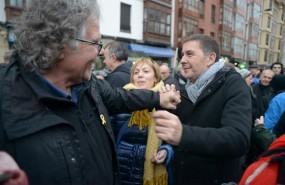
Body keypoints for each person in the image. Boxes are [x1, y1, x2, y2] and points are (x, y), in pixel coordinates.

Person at [0, 1, 180, 185]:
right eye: (95, 42)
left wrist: (158, 97)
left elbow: (120, 98)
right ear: (62, 44)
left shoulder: (89, 84)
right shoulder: (6, 97)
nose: (100, 52)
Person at [153, 34, 252, 184]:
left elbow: (238, 139)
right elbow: (179, 132)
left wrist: (183, 134)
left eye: (190, 54)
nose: (183, 60)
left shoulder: (233, 85)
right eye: (182, 55)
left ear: (210, 59)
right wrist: (164, 106)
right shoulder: (187, 90)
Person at [112, 57, 173, 185]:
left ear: (156, 77)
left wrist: (166, 151)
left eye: (145, 71)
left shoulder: (166, 103)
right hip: (121, 174)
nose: (140, 75)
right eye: (136, 72)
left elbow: (173, 141)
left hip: (150, 174)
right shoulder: (120, 101)